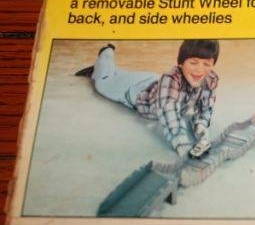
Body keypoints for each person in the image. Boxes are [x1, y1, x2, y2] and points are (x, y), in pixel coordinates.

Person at [76, 40, 220, 158]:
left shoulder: (209, 78)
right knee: (103, 83)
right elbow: (169, 113)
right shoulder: (170, 80)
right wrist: (183, 147)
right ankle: (106, 52)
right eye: (194, 62)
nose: (199, 70)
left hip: (155, 83)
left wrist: (201, 127)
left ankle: (113, 71)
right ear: (181, 64)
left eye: (206, 64)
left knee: (119, 75)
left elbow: (205, 107)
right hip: (135, 90)